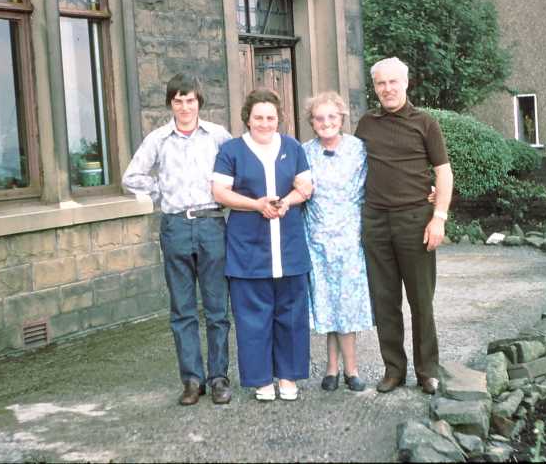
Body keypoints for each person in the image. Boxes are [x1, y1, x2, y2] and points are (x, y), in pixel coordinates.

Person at [122, 73, 232, 406]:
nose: (185, 107)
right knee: (183, 309)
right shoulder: (158, 139)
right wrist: (161, 191)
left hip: (211, 223)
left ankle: (218, 377)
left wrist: (226, 194)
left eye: (190, 100)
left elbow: (238, 169)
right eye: (178, 101)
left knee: (216, 308)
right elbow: (131, 176)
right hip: (175, 226)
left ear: (199, 102)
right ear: (171, 103)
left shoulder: (218, 136)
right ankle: (192, 380)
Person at [355, 57, 454, 395]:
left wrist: (439, 216)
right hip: (376, 222)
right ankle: (393, 370)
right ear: (375, 87)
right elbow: (353, 168)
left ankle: (427, 371)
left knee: (421, 301)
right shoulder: (366, 124)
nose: (387, 89)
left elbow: (443, 172)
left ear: (406, 83)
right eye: (381, 83)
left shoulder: (425, 123)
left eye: (393, 82)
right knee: (384, 301)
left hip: (415, 221)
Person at [212, 88, 313, 402]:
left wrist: (287, 202)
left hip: (289, 246)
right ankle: (261, 379)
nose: (265, 123)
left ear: (278, 118)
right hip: (248, 247)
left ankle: (288, 376)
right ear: (248, 118)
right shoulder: (231, 150)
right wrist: (256, 205)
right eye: (259, 117)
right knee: (252, 318)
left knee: (291, 315)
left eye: (270, 117)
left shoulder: (293, 147)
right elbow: (220, 193)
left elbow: (305, 186)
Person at [301, 91, 373, 392]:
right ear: (312, 122)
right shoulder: (304, 152)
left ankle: (351, 370)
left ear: (342, 118)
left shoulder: (359, 149)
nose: (326, 122)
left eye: (332, 116)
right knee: (326, 302)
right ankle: (331, 369)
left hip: (350, 238)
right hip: (316, 238)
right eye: (319, 118)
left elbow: (380, 181)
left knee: (347, 304)